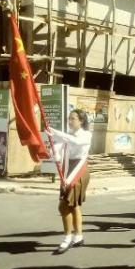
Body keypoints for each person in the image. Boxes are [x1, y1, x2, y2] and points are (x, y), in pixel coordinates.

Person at [47, 109, 92, 255]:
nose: (69, 121)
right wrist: (54, 152)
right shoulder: (67, 135)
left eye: (73, 118)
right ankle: (78, 236)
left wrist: (56, 133)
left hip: (78, 171)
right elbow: (58, 151)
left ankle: (67, 238)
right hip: (67, 170)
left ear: (81, 121)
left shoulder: (86, 135)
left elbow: (76, 142)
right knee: (73, 206)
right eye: (69, 118)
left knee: (64, 206)